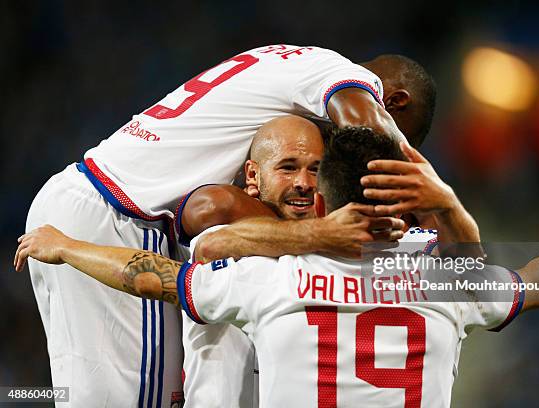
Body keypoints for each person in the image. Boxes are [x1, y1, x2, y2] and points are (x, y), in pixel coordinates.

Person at [16, 127, 539, 408]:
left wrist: (66, 245)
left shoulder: (273, 274)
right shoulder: (445, 280)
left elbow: (152, 275)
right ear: (404, 201)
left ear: (325, 199)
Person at [26, 44, 444, 407]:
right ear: (393, 104)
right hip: (118, 217)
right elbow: (367, 132)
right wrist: (427, 200)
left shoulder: (290, 65)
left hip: (92, 205)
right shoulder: (343, 78)